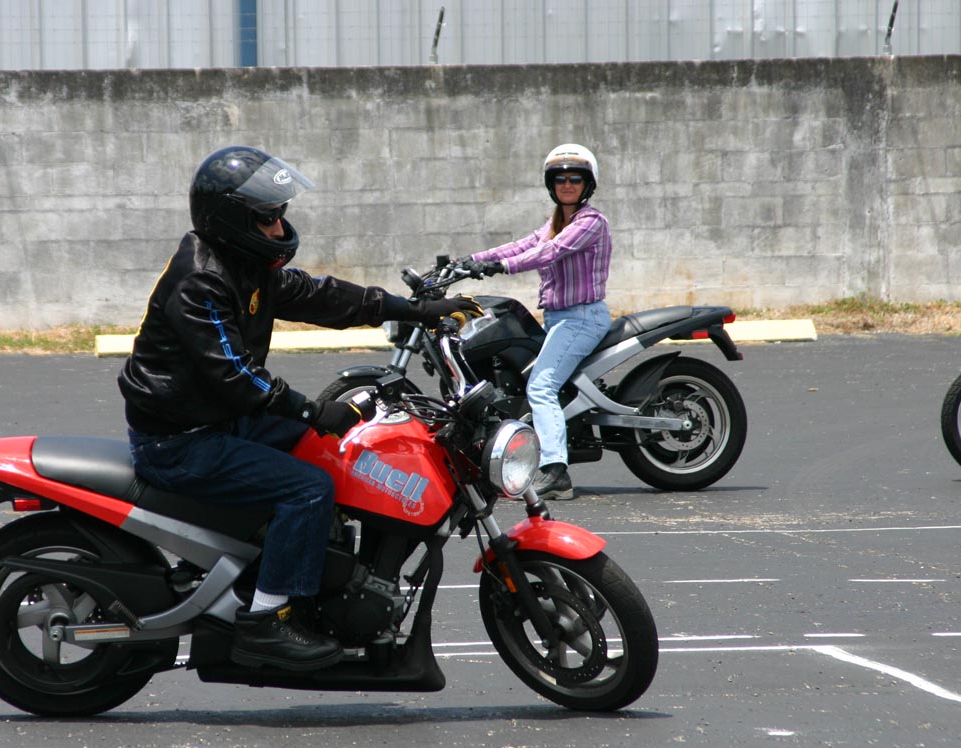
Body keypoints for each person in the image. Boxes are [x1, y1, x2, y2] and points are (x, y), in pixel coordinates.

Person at [118, 145, 477, 671]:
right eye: (267, 217)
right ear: (232, 220)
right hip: (181, 439)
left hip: (220, 419)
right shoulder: (202, 280)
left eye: (280, 213)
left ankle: (303, 570)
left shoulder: (245, 265)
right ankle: (266, 621)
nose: (279, 226)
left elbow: (323, 296)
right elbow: (233, 372)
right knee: (308, 489)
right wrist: (309, 411)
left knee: (340, 452)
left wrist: (416, 310)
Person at [460, 143, 612, 501]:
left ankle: (556, 471)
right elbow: (521, 245)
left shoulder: (590, 222)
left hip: (582, 318)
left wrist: (501, 267)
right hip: (560, 319)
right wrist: (469, 261)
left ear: (588, 184)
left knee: (541, 386)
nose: (567, 184)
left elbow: (549, 251)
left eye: (575, 179)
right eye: (560, 179)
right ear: (551, 184)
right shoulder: (556, 222)